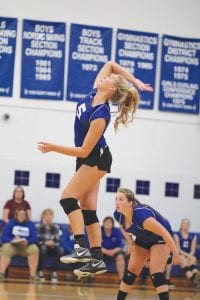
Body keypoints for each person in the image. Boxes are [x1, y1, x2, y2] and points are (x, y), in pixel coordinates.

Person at [38, 60, 153, 277]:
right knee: (88, 209)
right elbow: (110, 63)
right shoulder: (94, 92)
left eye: (110, 79)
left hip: (96, 158)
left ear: (111, 89)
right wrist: (134, 80)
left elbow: (83, 150)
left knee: (67, 199)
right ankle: (97, 260)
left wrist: (53, 147)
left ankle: (81, 248)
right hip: (88, 159)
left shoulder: (101, 114)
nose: (105, 76)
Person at [113, 188, 183, 300]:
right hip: (143, 238)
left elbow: (165, 233)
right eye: (116, 199)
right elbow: (122, 227)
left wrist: (176, 254)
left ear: (130, 203)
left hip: (160, 238)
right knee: (131, 271)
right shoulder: (118, 214)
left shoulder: (142, 216)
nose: (117, 202)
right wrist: (130, 241)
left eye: (121, 199)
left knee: (155, 272)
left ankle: (167, 257)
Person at [0, 207, 39, 282]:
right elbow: (4, 237)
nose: (21, 215)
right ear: (16, 215)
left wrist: (27, 241)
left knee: (34, 249)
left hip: (25, 246)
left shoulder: (30, 224)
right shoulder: (11, 223)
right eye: (19, 214)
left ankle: (33, 275)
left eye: (23, 214)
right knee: (5, 248)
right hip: (13, 246)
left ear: (26, 215)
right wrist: (13, 240)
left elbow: (34, 238)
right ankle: (1, 273)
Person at [36, 208, 64, 283]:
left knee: (61, 250)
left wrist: (54, 244)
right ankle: (40, 271)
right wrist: (45, 243)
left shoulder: (56, 227)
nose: (48, 216)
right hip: (42, 246)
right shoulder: (38, 226)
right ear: (43, 216)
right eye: (46, 215)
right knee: (43, 248)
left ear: (52, 216)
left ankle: (54, 271)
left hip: (52, 247)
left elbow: (57, 240)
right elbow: (37, 240)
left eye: (50, 215)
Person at [173, 218, 200, 288]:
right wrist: (187, 257)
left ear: (189, 225)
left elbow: (193, 250)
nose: (186, 225)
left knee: (193, 259)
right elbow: (178, 250)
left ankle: (197, 278)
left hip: (189, 255)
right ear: (181, 225)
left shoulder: (193, 236)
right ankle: (196, 282)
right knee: (184, 260)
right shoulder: (177, 235)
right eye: (184, 223)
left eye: (187, 223)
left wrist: (189, 257)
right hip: (180, 255)